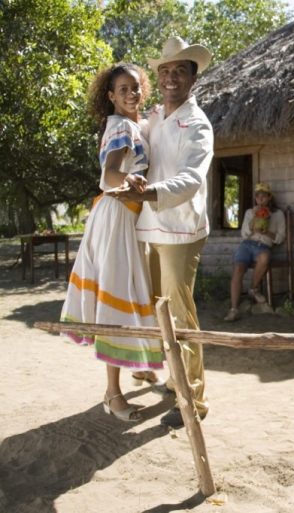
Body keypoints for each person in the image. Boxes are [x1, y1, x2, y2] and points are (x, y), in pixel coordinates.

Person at [108, 36, 214, 428]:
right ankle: (175, 380)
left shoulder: (197, 125)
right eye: (165, 71)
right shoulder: (155, 118)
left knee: (180, 314)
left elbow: (189, 179)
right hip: (149, 224)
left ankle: (195, 401)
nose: (171, 78)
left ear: (192, 79)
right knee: (156, 308)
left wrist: (150, 191)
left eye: (179, 71)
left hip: (180, 230)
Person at [60, 63, 161, 422]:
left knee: (135, 295)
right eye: (123, 89)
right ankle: (112, 394)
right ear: (111, 96)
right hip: (116, 217)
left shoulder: (134, 125)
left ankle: (141, 366)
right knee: (119, 302)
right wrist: (131, 177)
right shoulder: (120, 127)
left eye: (135, 87)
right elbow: (108, 176)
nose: (131, 94)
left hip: (126, 217)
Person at [224, 182, 286, 322]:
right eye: (258, 196)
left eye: (264, 196)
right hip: (247, 244)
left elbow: (280, 238)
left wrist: (267, 232)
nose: (260, 199)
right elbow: (244, 234)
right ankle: (234, 309)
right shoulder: (249, 212)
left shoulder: (278, 214)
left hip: (263, 246)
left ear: (269, 197)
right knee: (238, 268)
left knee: (264, 257)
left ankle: (253, 288)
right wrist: (254, 222)